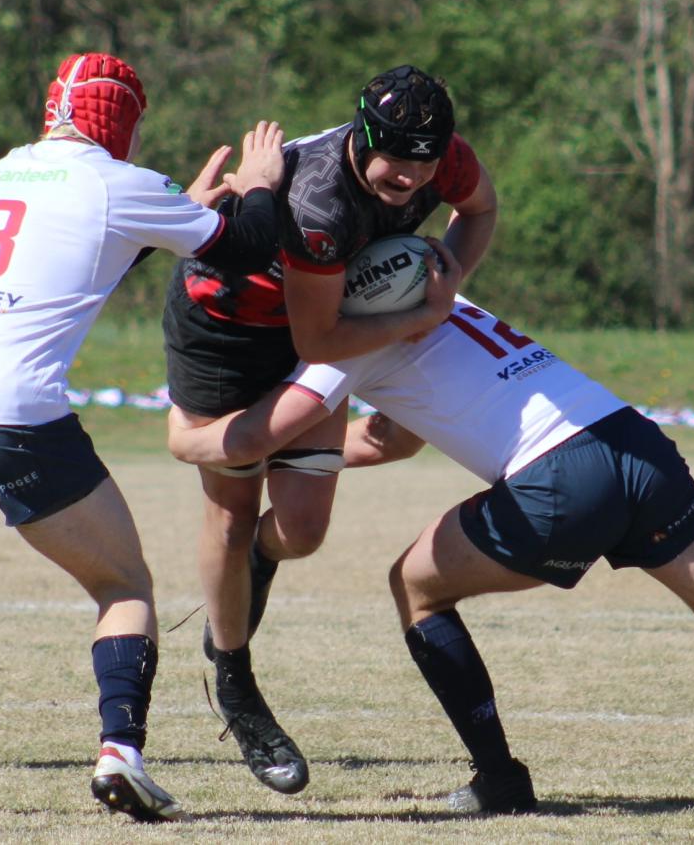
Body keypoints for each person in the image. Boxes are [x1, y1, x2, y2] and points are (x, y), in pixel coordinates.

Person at [169, 282, 694, 816]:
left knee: (414, 586)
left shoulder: (338, 336)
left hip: (560, 481)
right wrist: (319, 452)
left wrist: (188, 438)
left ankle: (500, 780)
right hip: (632, 443)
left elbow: (262, 436)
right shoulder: (443, 298)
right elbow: (391, 443)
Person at [0, 52, 285, 819]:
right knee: (124, 586)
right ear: (122, 117)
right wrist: (258, 186)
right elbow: (246, 246)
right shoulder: (122, 183)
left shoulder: (12, 169)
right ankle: (121, 754)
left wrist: (173, 210)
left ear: (56, 108)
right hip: (10, 411)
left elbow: (83, 248)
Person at [161, 65, 495, 794]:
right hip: (227, 331)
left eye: (424, 162)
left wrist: (446, 281)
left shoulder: (443, 160)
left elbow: (481, 209)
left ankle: (249, 573)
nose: (409, 178)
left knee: (303, 530)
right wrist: (420, 316)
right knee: (232, 507)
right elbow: (321, 342)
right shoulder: (319, 201)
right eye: (393, 160)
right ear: (361, 137)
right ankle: (236, 677)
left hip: (317, 321)